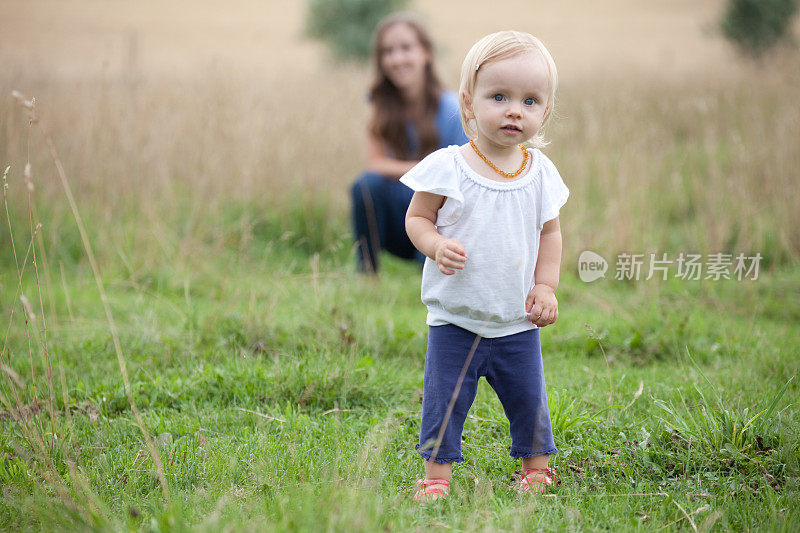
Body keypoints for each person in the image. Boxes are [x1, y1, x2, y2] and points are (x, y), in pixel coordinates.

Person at [400, 30, 569, 501]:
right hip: (456, 318)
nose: (515, 110)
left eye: (530, 101)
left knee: (528, 400)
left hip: (517, 320)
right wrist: (434, 244)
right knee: (445, 402)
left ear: (545, 112)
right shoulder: (449, 166)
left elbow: (549, 234)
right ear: (469, 104)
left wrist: (546, 286)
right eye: (499, 96)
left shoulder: (540, 174)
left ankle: (537, 468)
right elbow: (416, 217)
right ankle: (437, 478)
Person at [351, 13, 468, 273]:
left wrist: (428, 179)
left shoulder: (451, 108)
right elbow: (375, 164)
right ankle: (367, 271)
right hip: (400, 216)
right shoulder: (378, 102)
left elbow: (462, 174)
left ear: (426, 52)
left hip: (441, 217)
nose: (396, 59)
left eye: (406, 48)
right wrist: (426, 171)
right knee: (365, 186)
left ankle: (431, 266)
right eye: (388, 51)